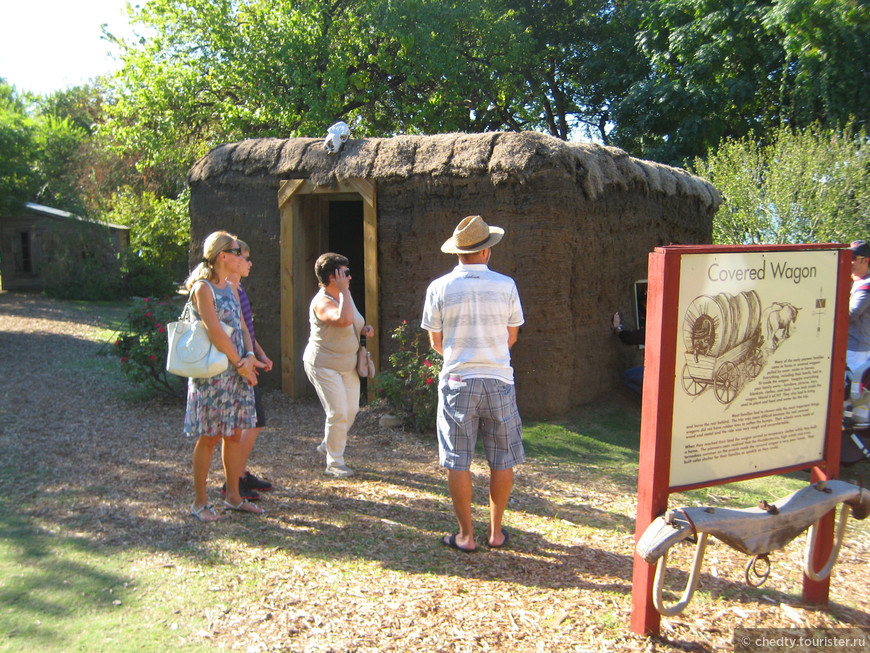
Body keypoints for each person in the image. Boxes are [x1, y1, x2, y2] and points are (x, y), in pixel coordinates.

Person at [421, 215, 525, 553]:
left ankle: (465, 535)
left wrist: (460, 353)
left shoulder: (439, 287)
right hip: (498, 378)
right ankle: (496, 532)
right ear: (487, 251)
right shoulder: (506, 285)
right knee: (502, 457)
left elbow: (435, 341)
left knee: (458, 459)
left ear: (457, 252)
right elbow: (512, 336)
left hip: (457, 380)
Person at [184, 231, 266, 521]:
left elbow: (244, 328)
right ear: (223, 256)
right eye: (236, 251)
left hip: (235, 372)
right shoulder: (203, 288)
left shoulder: (231, 289)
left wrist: (250, 359)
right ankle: (199, 502)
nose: (242, 256)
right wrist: (241, 363)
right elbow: (215, 332)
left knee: (233, 435)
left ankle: (233, 496)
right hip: (213, 375)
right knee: (210, 436)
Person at [303, 252, 374, 478]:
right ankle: (334, 463)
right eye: (346, 274)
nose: (350, 278)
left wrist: (363, 330)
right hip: (323, 365)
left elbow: (352, 322)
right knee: (338, 412)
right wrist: (344, 291)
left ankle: (328, 443)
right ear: (333, 277)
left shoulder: (345, 294)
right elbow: (342, 320)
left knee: (351, 410)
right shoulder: (322, 301)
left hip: (348, 365)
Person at [223, 239, 274, 501]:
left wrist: (261, 354)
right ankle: (232, 480)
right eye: (245, 257)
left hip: (249, 360)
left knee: (254, 422)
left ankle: (239, 473)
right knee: (248, 423)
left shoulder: (238, 289)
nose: (250, 263)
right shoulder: (226, 290)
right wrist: (247, 360)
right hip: (240, 366)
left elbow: (247, 330)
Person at [848, 240, 870, 372]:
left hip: (856, 350)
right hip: (848, 347)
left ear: (866, 260)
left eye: (854, 258)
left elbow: (851, 314)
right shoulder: (851, 281)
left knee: (850, 391)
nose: (850, 261)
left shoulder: (866, 285)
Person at [611, 311, 644, 395]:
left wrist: (617, 329)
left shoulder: (658, 326)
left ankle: (650, 398)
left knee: (627, 376)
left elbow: (629, 338)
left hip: (661, 375)